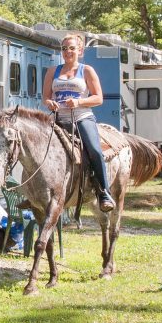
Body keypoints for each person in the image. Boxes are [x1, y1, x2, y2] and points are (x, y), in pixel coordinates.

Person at [43, 34, 116, 212]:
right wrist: (49, 103)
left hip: (82, 117)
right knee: (37, 146)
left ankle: (103, 192)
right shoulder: (53, 71)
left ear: (80, 51)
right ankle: (36, 193)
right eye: (64, 48)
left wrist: (79, 102)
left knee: (94, 150)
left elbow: (98, 98)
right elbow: (45, 97)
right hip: (59, 118)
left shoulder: (87, 70)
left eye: (72, 48)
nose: (68, 52)